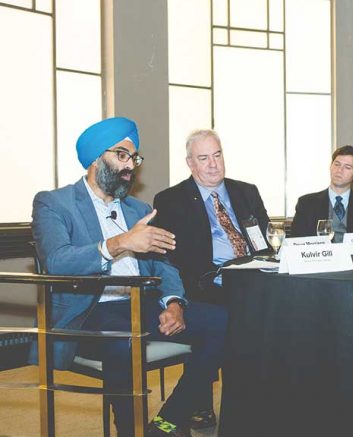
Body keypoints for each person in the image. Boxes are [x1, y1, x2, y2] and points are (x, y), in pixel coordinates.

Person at [31, 117, 227, 437]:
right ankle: (129, 430)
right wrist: (120, 243)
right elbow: (56, 262)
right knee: (125, 341)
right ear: (96, 159)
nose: (130, 166)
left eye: (133, 158)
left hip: (142, 304)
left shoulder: (138, 208)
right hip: (91, 311)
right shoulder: (54, 203)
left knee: (224, 321)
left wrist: (174, 302)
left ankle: (167, 422)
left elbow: (164, 265)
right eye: (122, 155)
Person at [153, 129, 271, 429]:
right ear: (190, 163)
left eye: (217, 155)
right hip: (206, 286)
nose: (213, 165)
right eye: (203, 158)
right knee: (228, 320)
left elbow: (266, 242)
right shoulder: (171, 200)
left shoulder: (246, 191)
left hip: (255, 279)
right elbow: (168, 259)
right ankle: (193, 408)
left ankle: (270, 401)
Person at [290, 145, 353, 242]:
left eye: (347, 167)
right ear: (330, 166)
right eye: (337, 164)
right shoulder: (307, 204)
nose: (339, 170)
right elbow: (295, 242)